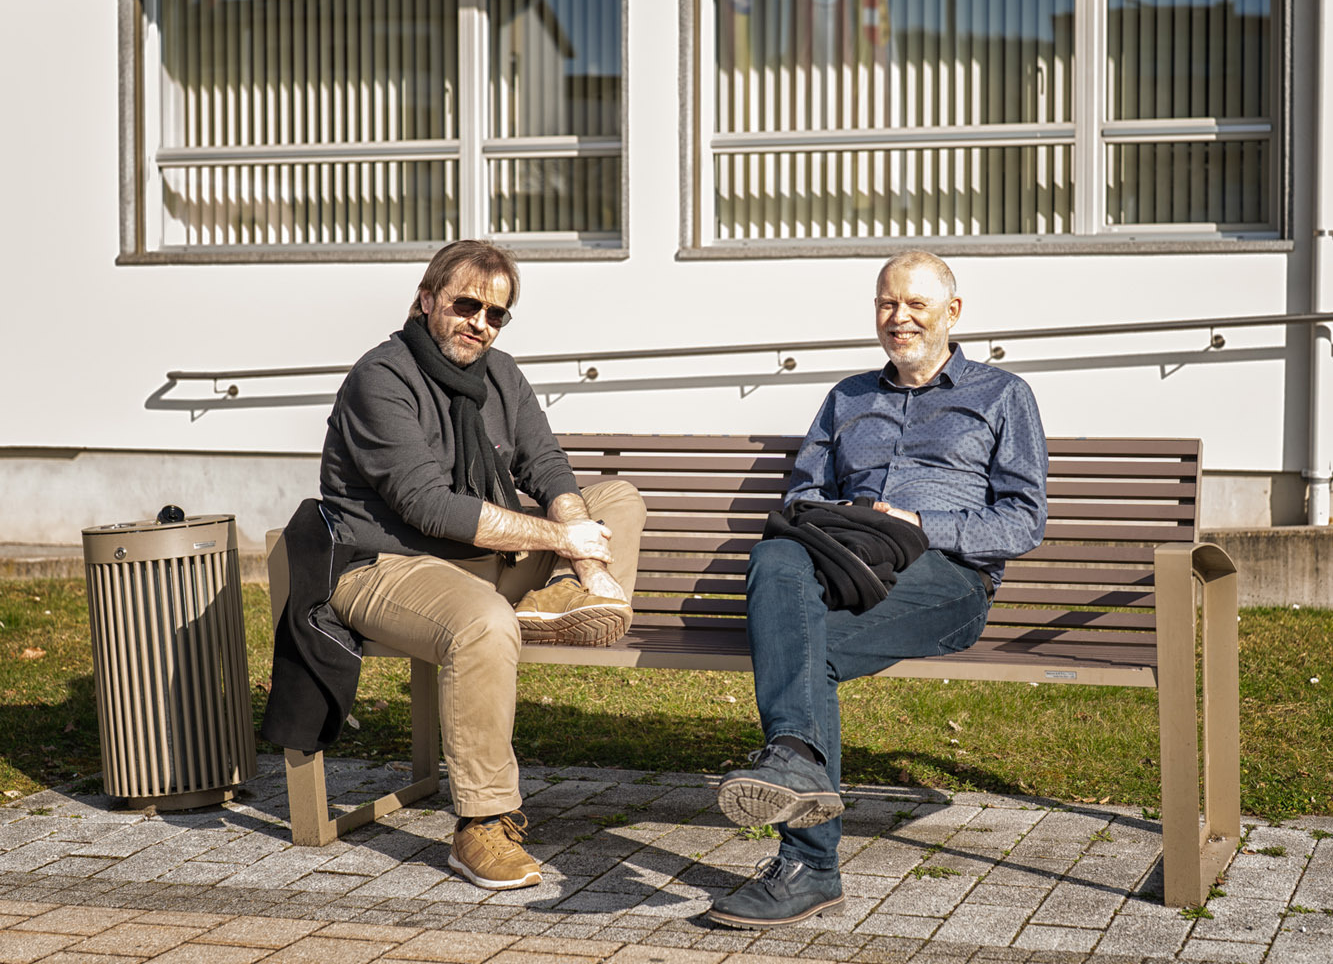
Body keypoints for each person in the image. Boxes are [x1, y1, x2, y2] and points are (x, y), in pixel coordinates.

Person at [266, 239, 645, 891]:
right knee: (483, 624)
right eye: (466, 305)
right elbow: (429, 505)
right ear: (426, 300)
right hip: (385, 565)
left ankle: (564, 601)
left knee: (617, 498)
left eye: (496, 314)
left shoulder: (501, 376)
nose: (480, 323)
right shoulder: (381, 378)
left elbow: (546, 465)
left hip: (479, 562)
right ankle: (481, 825)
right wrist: (565, 540)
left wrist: (577, 547)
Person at [707, 250, 1047, 929]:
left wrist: (920, 523)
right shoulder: (848, 397)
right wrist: (849, 520)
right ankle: (797, 772)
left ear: (952, 312)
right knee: (775, 551)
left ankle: (807, 858)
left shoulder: (1002, 395)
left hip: (948, 579)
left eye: (916, 304)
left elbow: (1022, 520)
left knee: (804, 654)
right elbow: (804, 492)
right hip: (848, 564)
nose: (899, 317)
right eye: (887, 303)